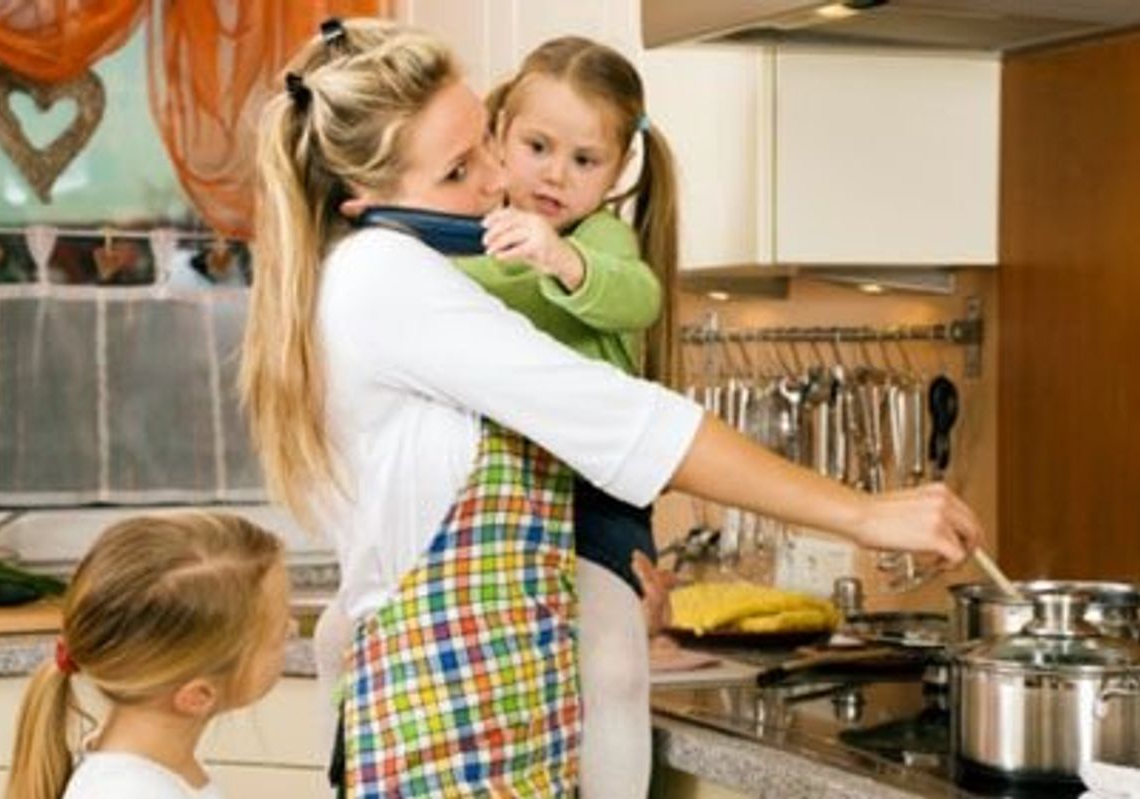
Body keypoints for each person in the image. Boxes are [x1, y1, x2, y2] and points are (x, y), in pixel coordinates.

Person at [241, 17, 983, 797]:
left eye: (487, 144)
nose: (499, 182)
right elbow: (627, 422)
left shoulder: (386, 275)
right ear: (364, 202)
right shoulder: (388, 276)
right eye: (460, 170)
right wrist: (865, 515)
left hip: (492, 739)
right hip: (450, 752)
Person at [452, 36, 680, 797]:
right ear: (497, 137)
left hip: (594, 496)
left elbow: (635, 294)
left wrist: (560, 259)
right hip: (500, 494)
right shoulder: (463, 232)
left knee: (612, 663)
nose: (555, 174)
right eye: (537, 146)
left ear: (618, 171)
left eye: (585, 160)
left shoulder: (598, 238)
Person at [4, 512, 291, 799]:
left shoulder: (147, 769)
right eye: (277, 637)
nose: (291, 630)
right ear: (198, 696)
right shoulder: (129, 791)